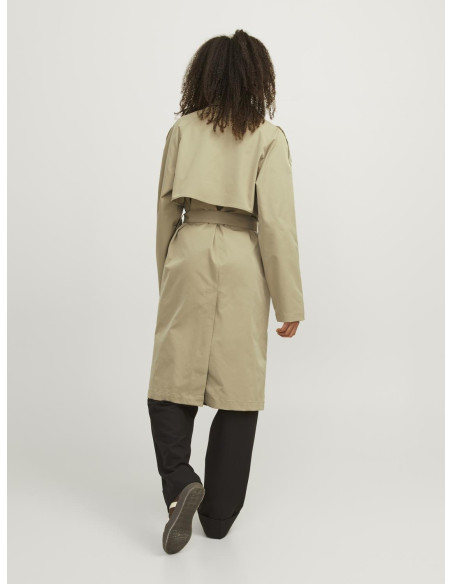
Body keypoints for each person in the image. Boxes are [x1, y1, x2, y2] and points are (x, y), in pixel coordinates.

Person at [147, 29, 305, 554]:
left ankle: (180, 484)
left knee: (171, 377)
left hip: (189, 247)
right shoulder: (269, 137)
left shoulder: (183, 130)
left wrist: (167, 276)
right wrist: (289, 302)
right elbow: (277, 224)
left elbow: (166, 209)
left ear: (204, 75)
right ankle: (217, 516)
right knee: (239, 388)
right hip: (243, 255)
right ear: (259, 78)